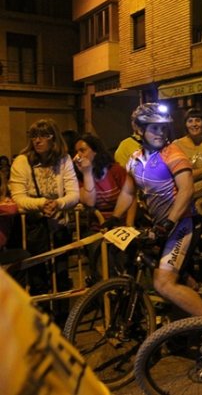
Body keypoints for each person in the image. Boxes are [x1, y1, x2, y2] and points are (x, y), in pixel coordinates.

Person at [103, 103, 202, 317]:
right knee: (163, 271)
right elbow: (128, 192)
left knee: (163, 283)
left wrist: (169, 221)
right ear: (139, 130)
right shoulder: (135, 159)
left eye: (163, 128)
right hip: (161, 227)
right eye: (154, 128)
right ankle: (198, 299)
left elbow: (187, 189)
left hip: (182, 224)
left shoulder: (172, 153)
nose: (160, 133)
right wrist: (115, 217)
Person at [8, 119, 80, 294]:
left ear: (53, 138)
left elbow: (74, 193)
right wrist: (41, 204)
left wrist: (58, 203)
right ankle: (41, 310)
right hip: (32, 228)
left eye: (43, 136)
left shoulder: (64, 159)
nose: (37, 140)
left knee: (61, 276)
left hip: (59, 225)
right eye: (34, 136)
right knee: (37, 278)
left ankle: (63, 311)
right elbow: (18, 197)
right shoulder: (22, 161)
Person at [73, 133, 128, 280]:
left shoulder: (115, 170)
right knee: (99, 253)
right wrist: (87, 173)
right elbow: (89, 202)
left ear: (95, 151)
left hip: (120, 224)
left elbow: (131, 197)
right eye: (76, 151)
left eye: (82, 150)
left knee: (121, 256)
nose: (78, 155)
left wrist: (129, 224)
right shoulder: (79, 177)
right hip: (98, 227)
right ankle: (106, 289)